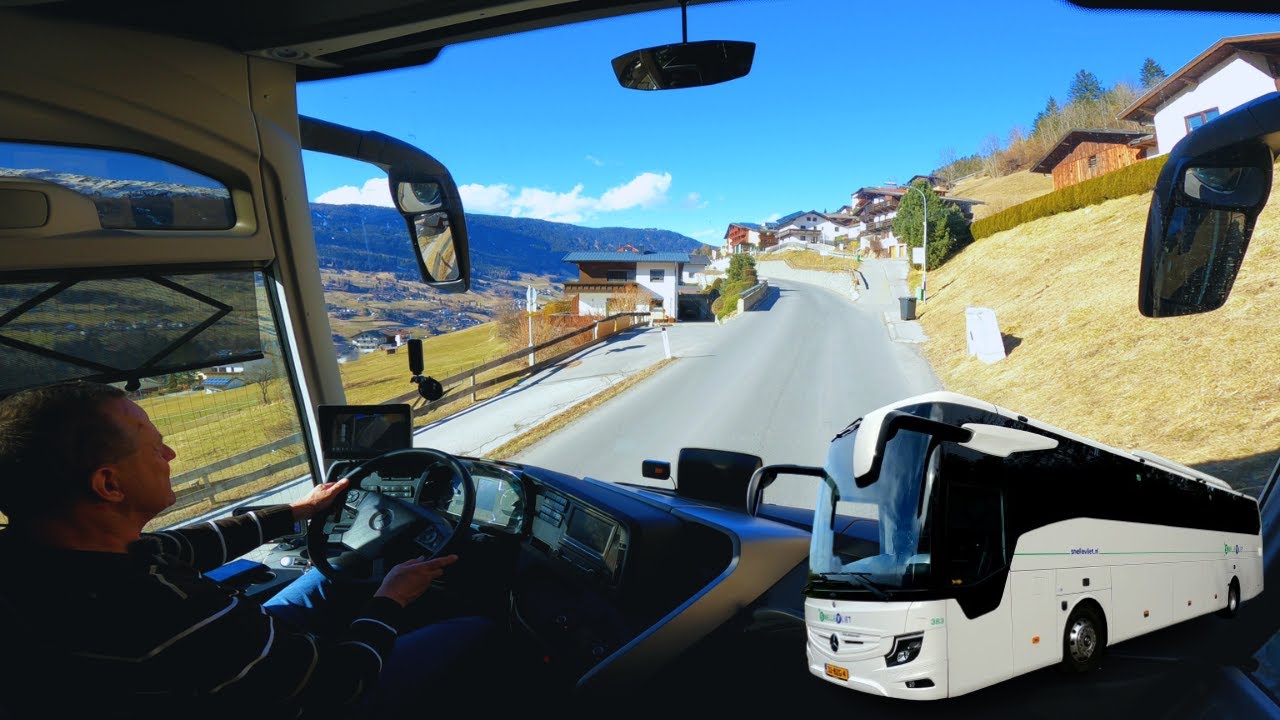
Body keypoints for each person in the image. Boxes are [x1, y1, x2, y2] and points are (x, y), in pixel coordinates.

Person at [0, 380, 492, 719]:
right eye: (155, 447)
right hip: (302, 701)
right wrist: (391, 600)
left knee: (330, 576)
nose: (170, 455)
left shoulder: (48, 553)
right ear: (109, 485)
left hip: (220, 666)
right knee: (474, 628)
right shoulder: (160, 610)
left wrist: (297, 511)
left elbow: (180, 545)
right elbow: (336, 684)